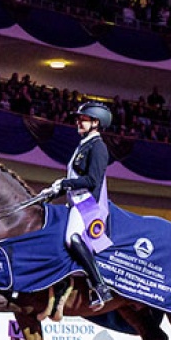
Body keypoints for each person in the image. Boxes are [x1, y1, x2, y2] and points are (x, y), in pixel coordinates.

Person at [40, 101, 114, 308]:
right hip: (75, 201)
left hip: (88, 204)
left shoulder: (98, 147)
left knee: (72, 238)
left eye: (83, 119)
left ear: (96, 123)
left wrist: (65, 183)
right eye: (78, 119)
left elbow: (92, 181)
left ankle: (100, 287)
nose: (78, 122)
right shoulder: (84, 145)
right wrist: (56, 190)